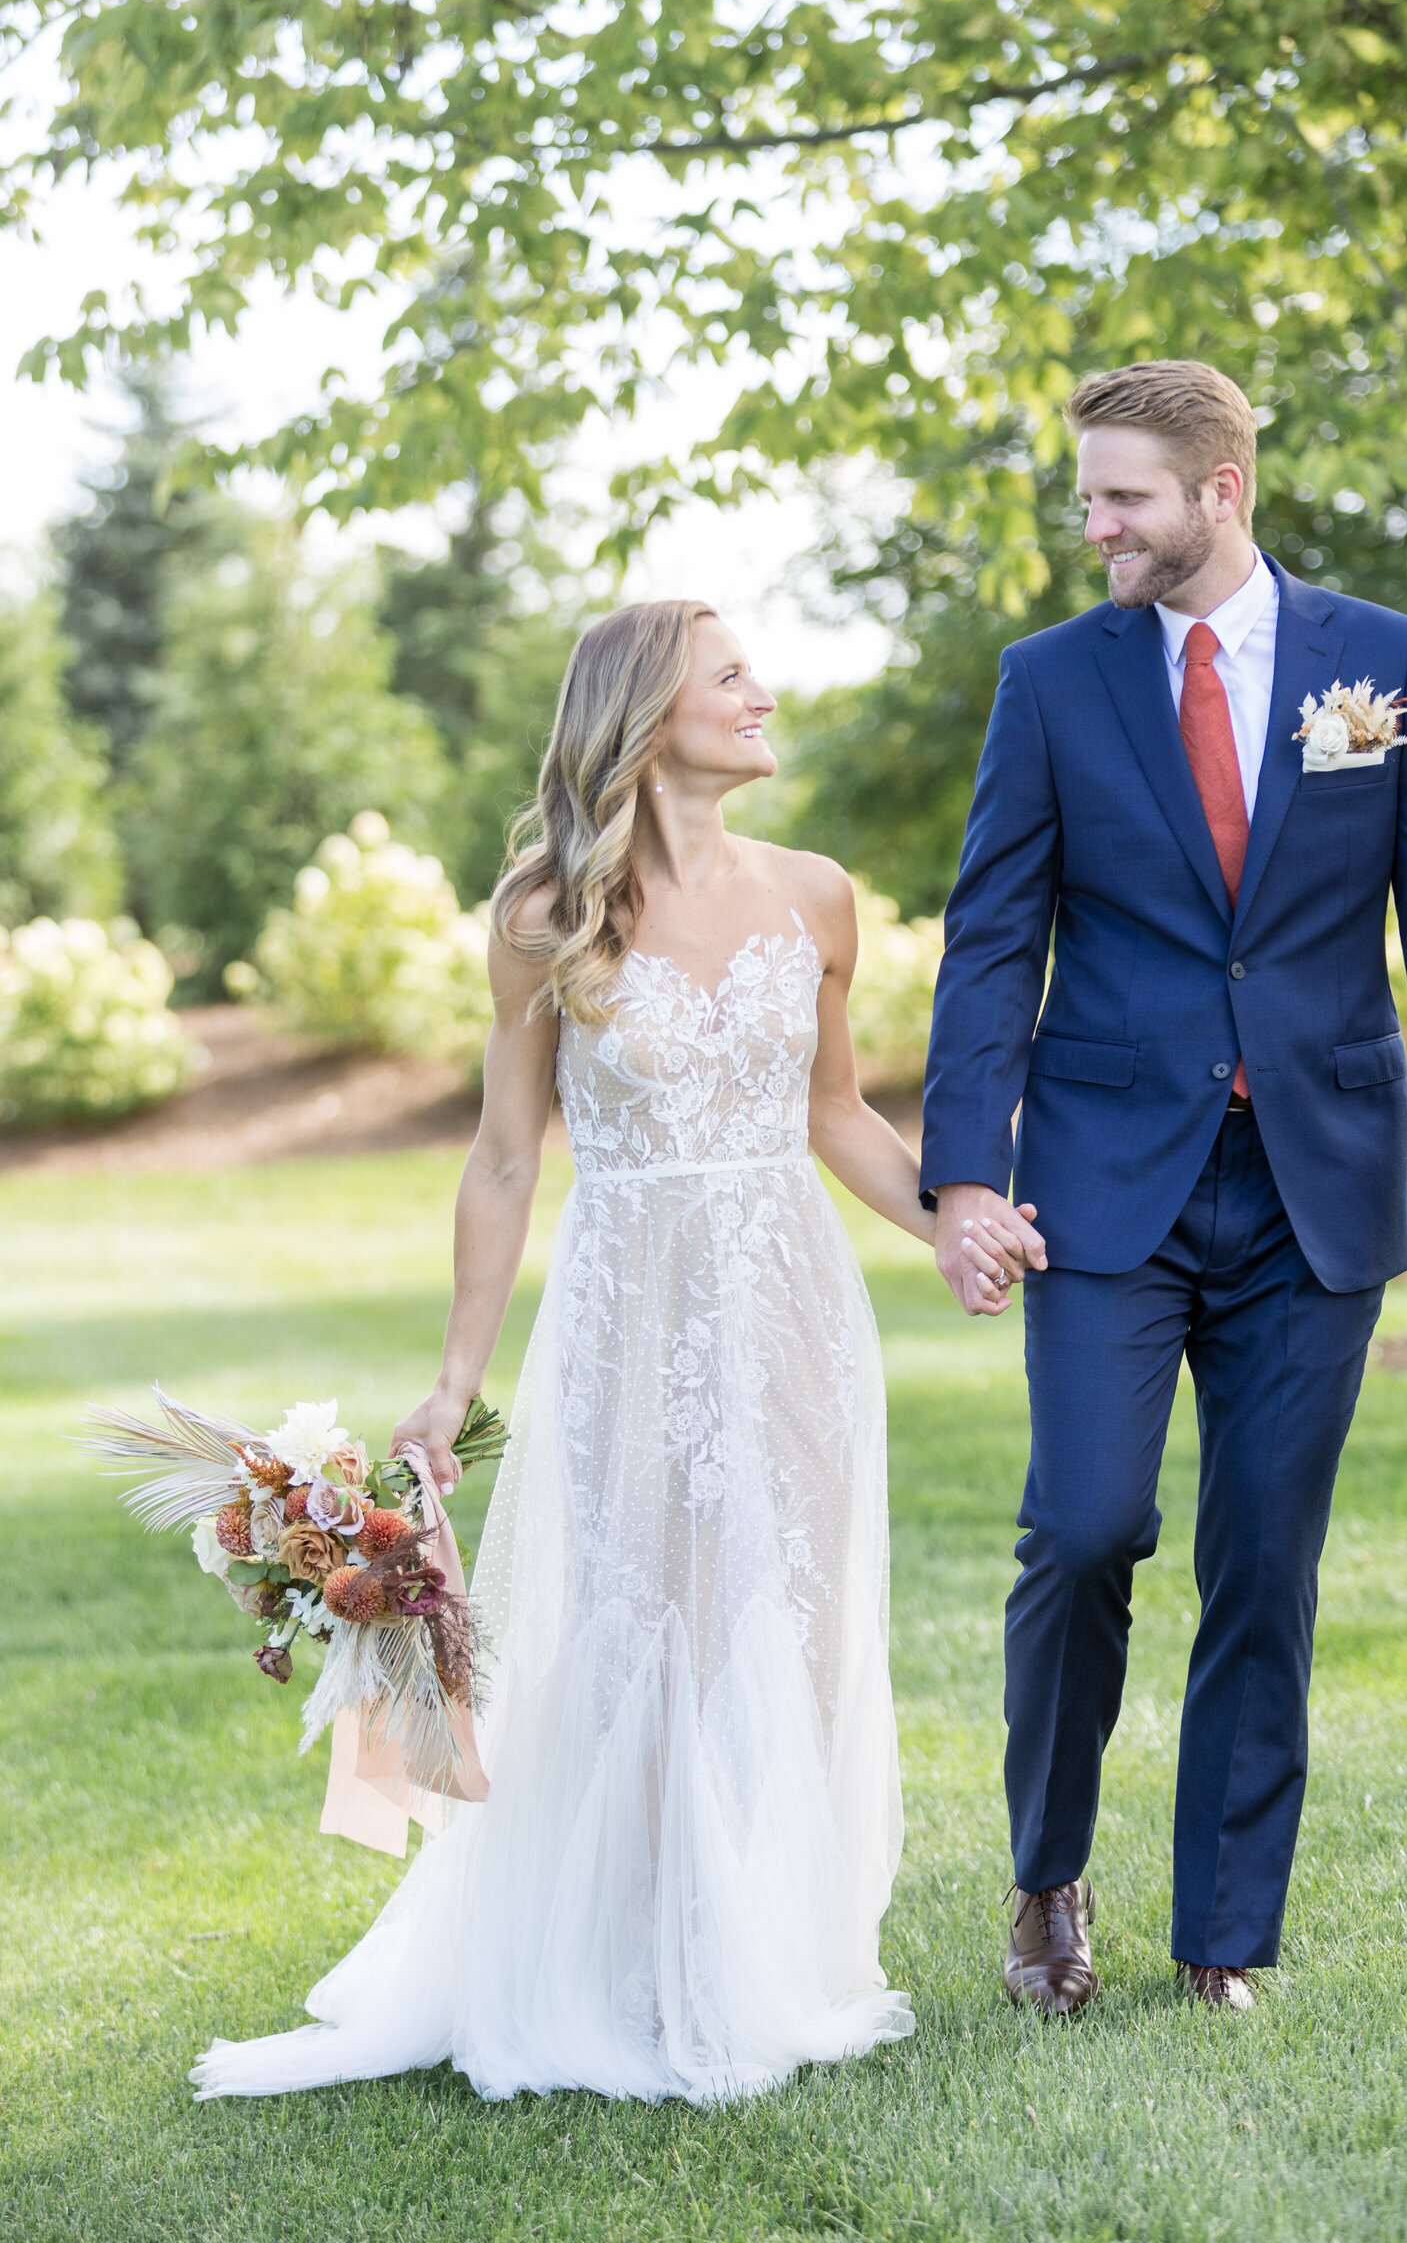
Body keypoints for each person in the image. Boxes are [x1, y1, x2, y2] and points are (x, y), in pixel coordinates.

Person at [192, 599, 957, 2104]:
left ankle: (760, 1950)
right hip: (625, 1304)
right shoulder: (545, 912)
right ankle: (624, 1960)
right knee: (634, 1614)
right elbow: (500, 1156)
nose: (761, 693)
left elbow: (838, 1115)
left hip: (791, 1300)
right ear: (645, 714)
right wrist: (458, 1373)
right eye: (728, 675)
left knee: (782, 1615)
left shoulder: (816, 894)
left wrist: (956, 1229)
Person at [920, 360, 1407, 2014]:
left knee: (1266, 1561)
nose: (1094, 524)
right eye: (1089, 496)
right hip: (1109, 1184)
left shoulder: (1382, 665)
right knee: (1085, 1526)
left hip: (1316, 1186)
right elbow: (992, 940)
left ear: (1220, 491)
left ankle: (1222, 1941)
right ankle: (1049, 1879)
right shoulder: (1051, 683)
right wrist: (967, 1174)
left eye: (1122, 497)